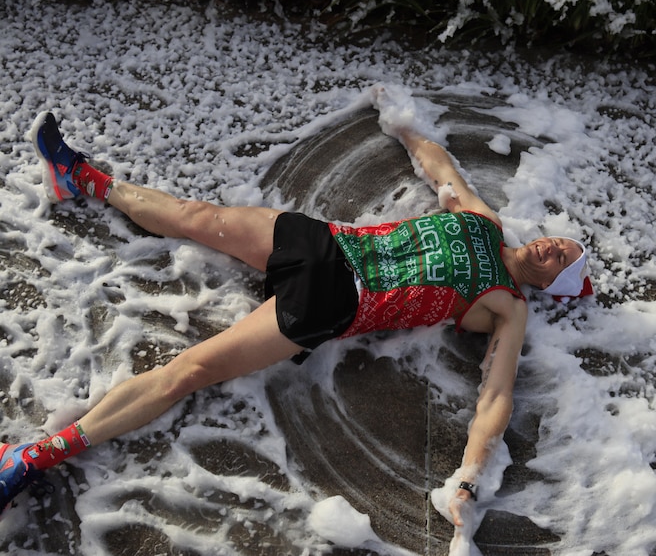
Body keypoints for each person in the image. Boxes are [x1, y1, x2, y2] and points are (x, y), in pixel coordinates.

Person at [0, 89, 591, 547]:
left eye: (560, 263)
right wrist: (403, 121)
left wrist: (466, 477)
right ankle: (78, 177)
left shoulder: (507, 308)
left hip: (333, 303)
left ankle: (34, 456)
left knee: (189, 371)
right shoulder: (482, 220)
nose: (552, 249)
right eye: (560, 244)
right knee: (195, 216)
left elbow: (495, 396)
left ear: (549, 287)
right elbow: (439, 170)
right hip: (325, 243)